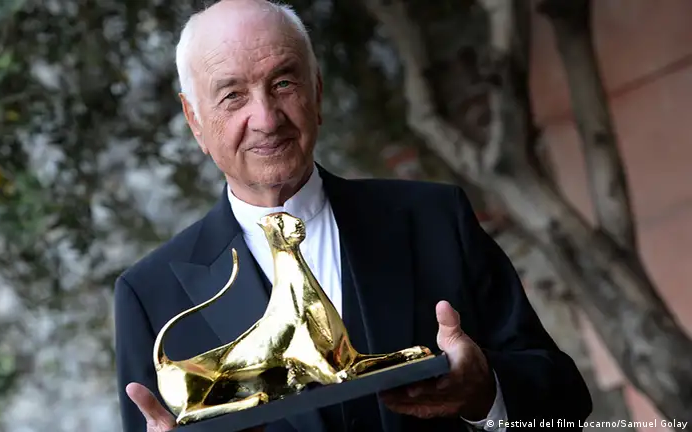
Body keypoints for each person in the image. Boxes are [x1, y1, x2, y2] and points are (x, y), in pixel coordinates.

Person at [113, 0, 593, 431]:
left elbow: (567, 403)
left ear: (317, 92)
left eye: (283, 83)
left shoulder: (434, 218)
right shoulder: (149, 295)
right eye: (232, 96)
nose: (266, 118)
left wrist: (485, 389)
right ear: (195, 121)